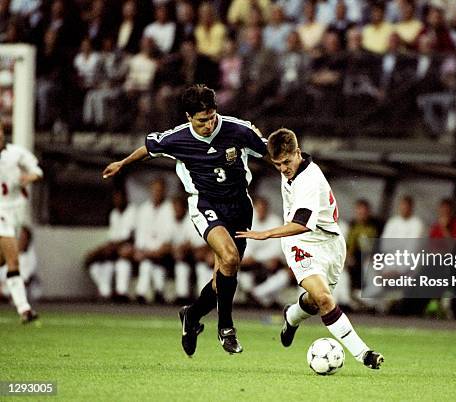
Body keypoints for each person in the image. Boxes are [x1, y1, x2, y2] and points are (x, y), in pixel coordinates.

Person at [103, 85, 267, 356]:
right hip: (205, 204)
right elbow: (148, 147)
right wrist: (122, 163)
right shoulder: (177, 138)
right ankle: (226, 328)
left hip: (239, 206)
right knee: (229, 258)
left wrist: (294, 165)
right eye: (202, 120)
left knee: (222, 278)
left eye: (212, 117)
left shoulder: (238, 130)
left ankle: (191, 316)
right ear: (189, 117)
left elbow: (268, 151)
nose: (208, 124)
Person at [236, 128, 384, 370]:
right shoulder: (289, 157)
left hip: (329, 243)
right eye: (277, 165)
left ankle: (291, 316)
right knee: (325, 299)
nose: (283, 169)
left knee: (316, 303)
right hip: (300, 243)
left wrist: (265, 234)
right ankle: (364, 354)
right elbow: (267, 145)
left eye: (286, 162)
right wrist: (249, 133)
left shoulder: (309, 180)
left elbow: (301, 223)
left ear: (297, 153)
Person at [0, 119, 42, 323]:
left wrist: (30, 177)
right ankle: (24, 309)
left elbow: (37, 170)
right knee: (13, 259)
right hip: (1, 215)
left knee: (3, 260)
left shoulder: (16, 154)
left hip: (14, 213)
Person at [85, 188, 136, 302]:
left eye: (120, 198)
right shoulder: (113, 214)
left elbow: (129, 237)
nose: (117, 200)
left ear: (125, 198)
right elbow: (112, 238)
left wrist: (109, 248)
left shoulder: (132, 211)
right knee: (96, 265)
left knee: (123, 263)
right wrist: (100, 250)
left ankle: (121, 293)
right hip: (113, 251)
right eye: (115, 198)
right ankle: (106, 293)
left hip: (127, 249)